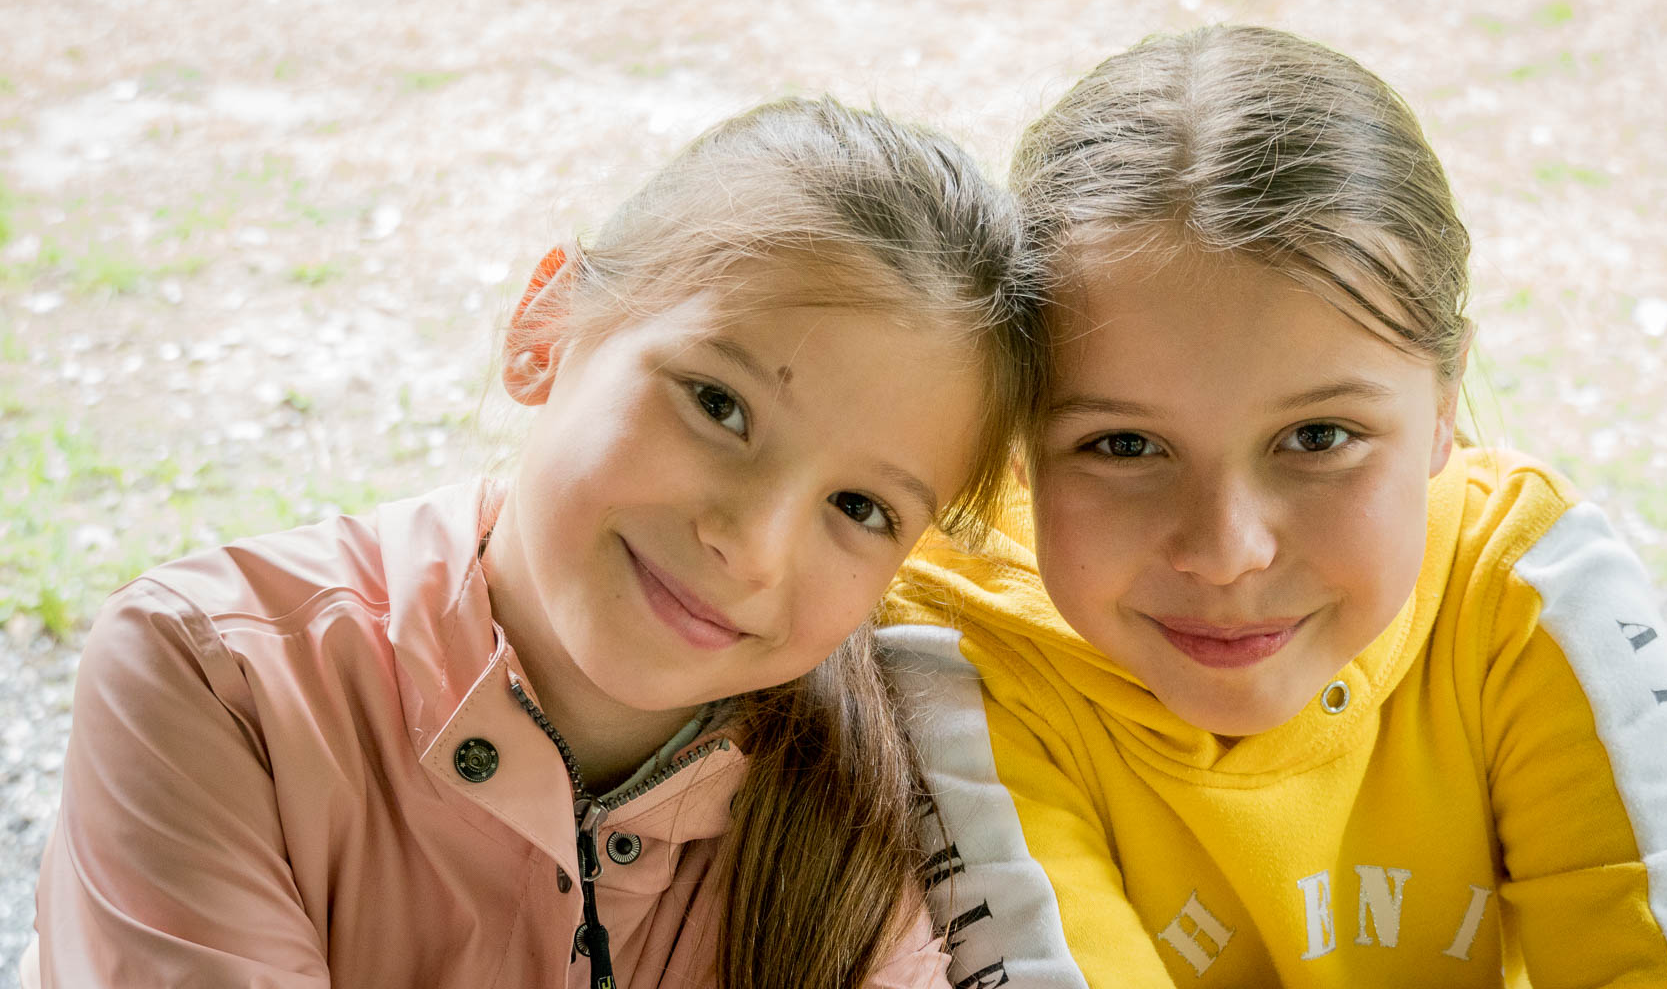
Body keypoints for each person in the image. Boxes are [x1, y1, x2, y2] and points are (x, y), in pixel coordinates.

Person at [25, 97, 1046, 988]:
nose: (751, 546)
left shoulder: (891, 802)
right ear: (546, 327)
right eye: (718, 406)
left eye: (861, 508)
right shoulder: (215, 676)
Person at [879, 26, 1667, 987]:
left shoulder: (1528, 584)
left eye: (1318, 438)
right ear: (1018, 446)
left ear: (1444, 409)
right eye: (1124, 446)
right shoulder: (961, 651)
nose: (1228, 551)